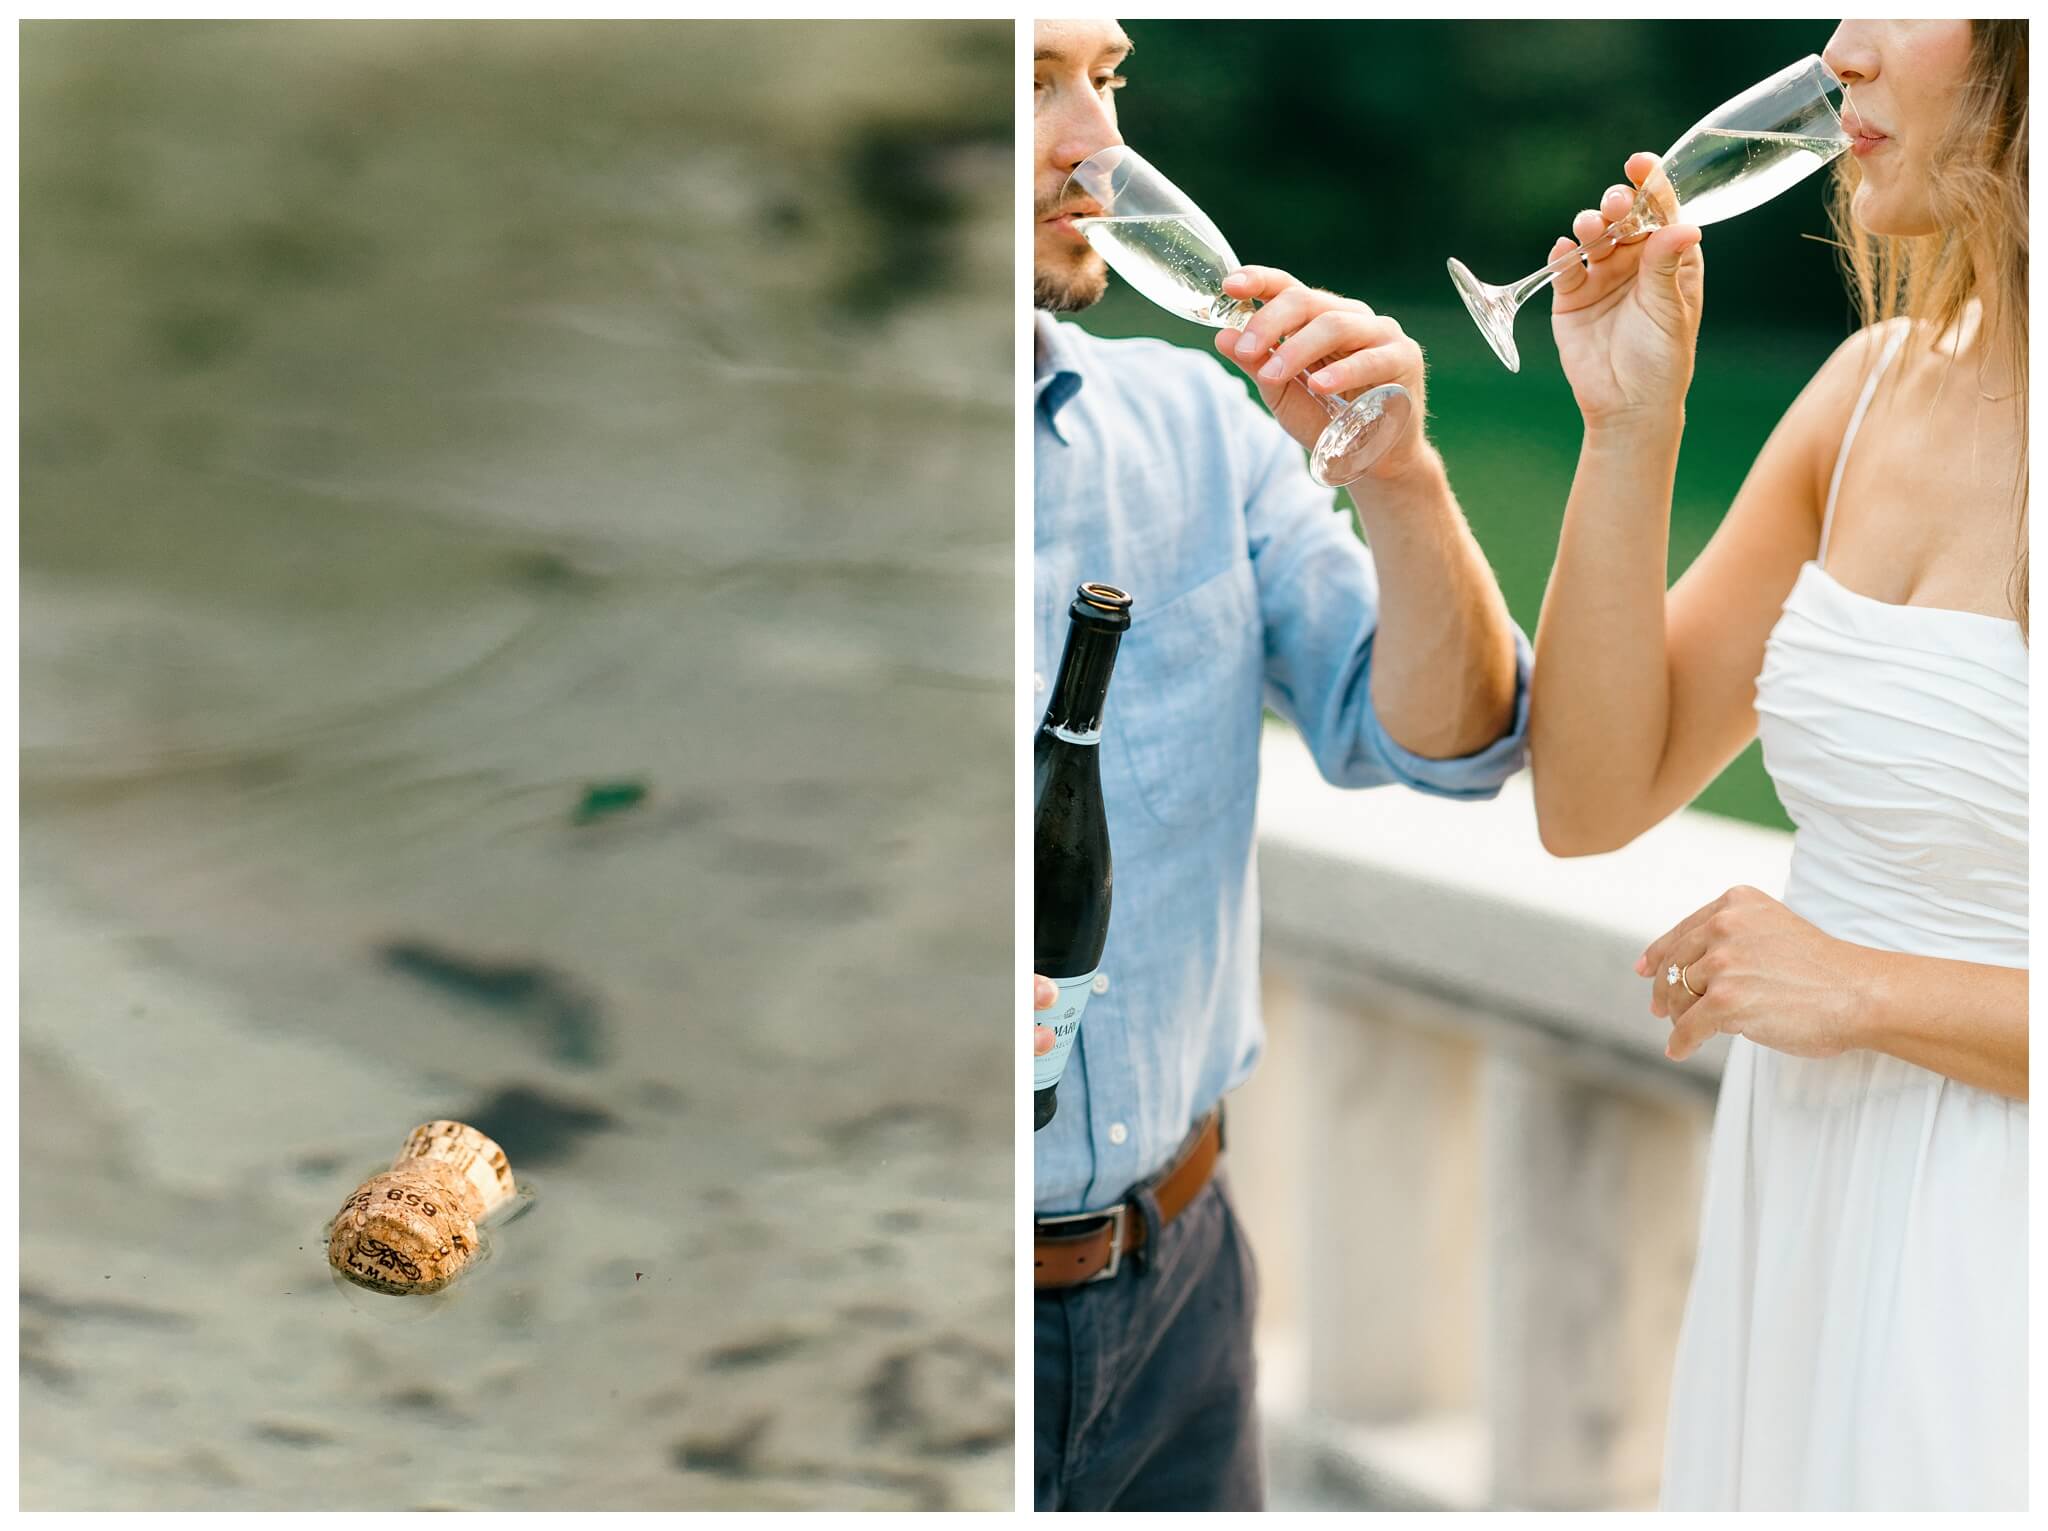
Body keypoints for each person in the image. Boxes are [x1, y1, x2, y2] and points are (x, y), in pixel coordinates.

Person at [1525, 19, 2027, 1511]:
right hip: (1806, 1197)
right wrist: (1630, 427)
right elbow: (1593, 796)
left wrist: (1859, 987)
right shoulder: (1867, 388)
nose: (1839, 47)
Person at [1031, 18, 1530, 1512]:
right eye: (1026, 87)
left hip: (1180, 1299)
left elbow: (1443, 742)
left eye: (1103, 81)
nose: (1096, 146)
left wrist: (1398, 475)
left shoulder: (1191, 423)